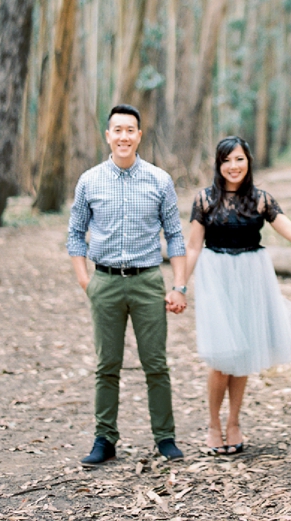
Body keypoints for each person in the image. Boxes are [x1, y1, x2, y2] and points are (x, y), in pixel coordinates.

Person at [185, 136, 291, 455]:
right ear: (218, 164)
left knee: (242, 353)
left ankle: (234, 423)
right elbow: (193, 246)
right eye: (226, 160)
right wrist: (179, 286)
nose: (233, 166)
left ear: (249, 161)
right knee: (220, 356)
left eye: (239, 159)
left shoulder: (261, 199)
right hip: (216, 278)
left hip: (251, 278)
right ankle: (213, 425)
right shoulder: (204, 200)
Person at [67, 104, 188, 465]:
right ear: (108, 136)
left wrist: (179, 286)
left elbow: (175, 235)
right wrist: (85, 281)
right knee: (107, 365)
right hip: (104, 281)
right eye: (116, 130)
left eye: (129, 130)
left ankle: (164, 437)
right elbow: (75, 233)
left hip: (148, 281)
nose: (123, 136)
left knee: (156, 363)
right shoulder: (89, 180)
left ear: (139, 135)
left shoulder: (159, 180)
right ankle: (104, 439)